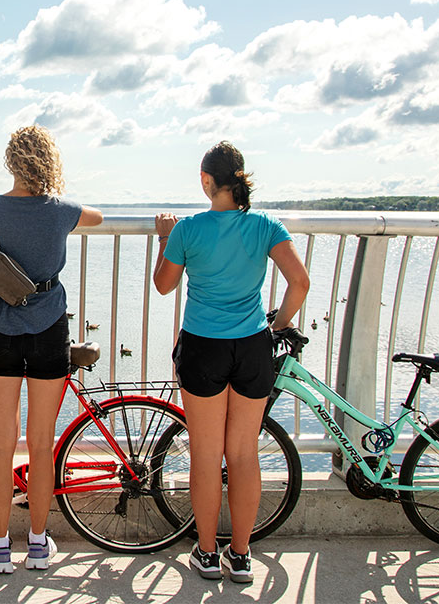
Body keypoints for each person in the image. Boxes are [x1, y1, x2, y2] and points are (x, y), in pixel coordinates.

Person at [0, 125, 102, 574]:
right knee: (40, 443)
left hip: (0, 330)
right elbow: (99, 217)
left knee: (0, 442)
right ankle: (37, 544)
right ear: (48, 163)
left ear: (11, 162)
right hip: (50, 329)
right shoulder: (62, 211)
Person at [152, 141, 309, 584]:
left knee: (205, 454)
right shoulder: (266, 226)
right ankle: (240, 556)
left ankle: (205, 554)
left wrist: (166, 236)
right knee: (242, 454)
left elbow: (164, 286)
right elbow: (300, 282)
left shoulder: (188, 230)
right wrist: (277, 326)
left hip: (203, 346)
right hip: (253, 346)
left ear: (206, 182)